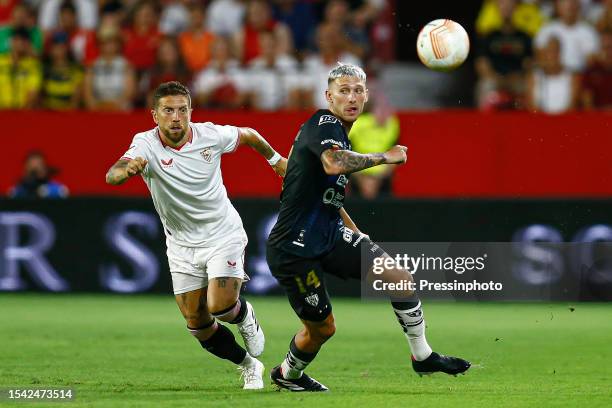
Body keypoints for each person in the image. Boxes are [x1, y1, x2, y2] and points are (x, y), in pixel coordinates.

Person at [266, 64, 470, 392]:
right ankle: (287, 374)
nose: (352, 97)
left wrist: (356, 232)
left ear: (366, 96)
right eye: (343, 91)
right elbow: (334, 163)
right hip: (294, 248)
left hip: (330, 234)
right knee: (322, 330)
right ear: (328, 96)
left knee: (400, 279)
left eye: (358, 90)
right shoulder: (324, 122)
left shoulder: (338, 132)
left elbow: (328, 197)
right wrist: (384, 156)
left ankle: (423, 355)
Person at [105, 81, 287, 390]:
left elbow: (249, 134)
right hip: (180, 244)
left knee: (220, 305)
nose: (176, 117)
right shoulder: (144, 144)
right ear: (154, 115)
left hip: (222, 234)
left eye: (182, 110)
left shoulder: (210, 135)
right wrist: (126, 171)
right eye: (168, 110)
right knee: (198, 324)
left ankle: (244, 316)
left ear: (191, 112)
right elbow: (112, 174)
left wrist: (276, 160)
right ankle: (248, 364)